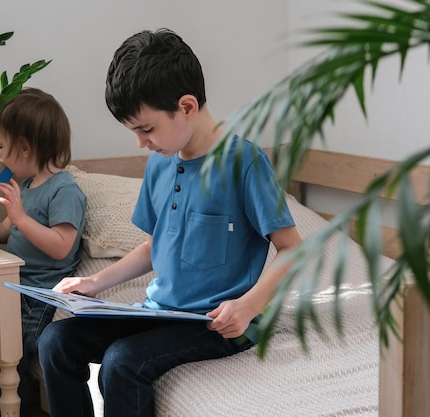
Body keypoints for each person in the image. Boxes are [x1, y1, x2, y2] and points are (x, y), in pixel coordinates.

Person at [37, 29, 303, 417]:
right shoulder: (160, 163)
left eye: (146, 129)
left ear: (188, 107)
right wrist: (93, 283)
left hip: (218, 324)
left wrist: (247, 307)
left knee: (123, 362)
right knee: (55, 341)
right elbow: (154, 245)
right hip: (158, 311)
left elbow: (295, 247)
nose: (141, 143)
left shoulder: (244, 163)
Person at [0, 87, 87, 417]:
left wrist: (19, 216)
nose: (1, 156)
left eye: (2, 146)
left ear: (23, 148)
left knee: (13, 356)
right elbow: (7, 230)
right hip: (14, 290)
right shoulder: (28, 187)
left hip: (40, 296)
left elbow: (62, 247)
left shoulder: (64, 189)